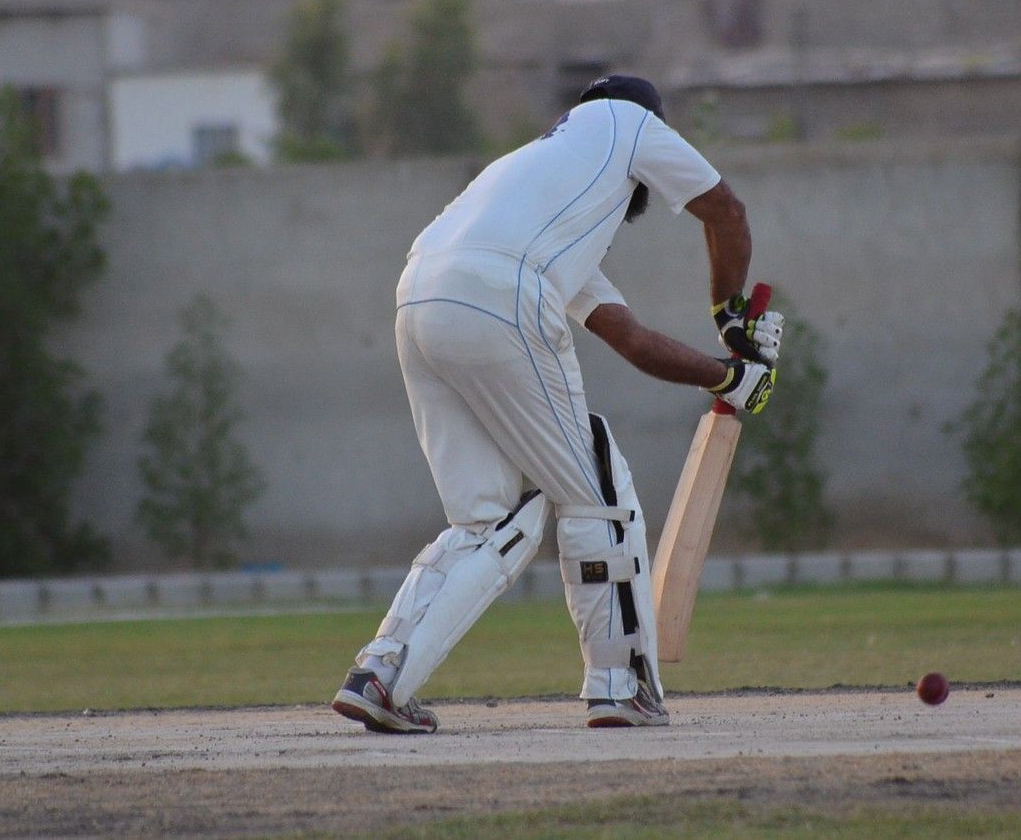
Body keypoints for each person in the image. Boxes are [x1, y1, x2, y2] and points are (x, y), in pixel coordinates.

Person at [330, 75, 783, 733]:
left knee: (486, 518)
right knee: (596, 492)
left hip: (420, 297)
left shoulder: (533, 194)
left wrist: (728, 377)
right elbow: (726, 212)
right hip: (500, 295)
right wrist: (730, 317)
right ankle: (620, 687)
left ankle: (380, 674)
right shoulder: (624, 118)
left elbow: (632, 341)